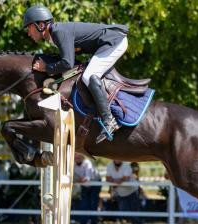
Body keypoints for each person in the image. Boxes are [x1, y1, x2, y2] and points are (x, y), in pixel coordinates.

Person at [23, 5, 129, 143]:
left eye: (29, 27)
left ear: (41, 25)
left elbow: (67, 63)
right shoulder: (54, 35)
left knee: (89, 76)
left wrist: (46, 68)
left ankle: (109, 120)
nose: (28, 33)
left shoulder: (58, 32)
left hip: (114, 42)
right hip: (105, 44)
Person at [106, 160, 141, 224]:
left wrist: (114, 181)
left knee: (134, 211)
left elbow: (125, 178)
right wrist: (117, 181)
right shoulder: (109, 165)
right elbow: (108, 178)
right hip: (120, 193)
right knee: (124, 211)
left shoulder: (126, 165)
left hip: (132, 191)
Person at [74, 153, 101, 224]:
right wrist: (78, 180)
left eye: (79, 156)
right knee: (84, 207)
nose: (77, 157)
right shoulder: (72, 164)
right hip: (85, 186)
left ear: (83, 156)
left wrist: (76, 181)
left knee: (93, 206)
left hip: (95, 184)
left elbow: (86, 178)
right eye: (76, 156)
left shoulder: (87, 163)